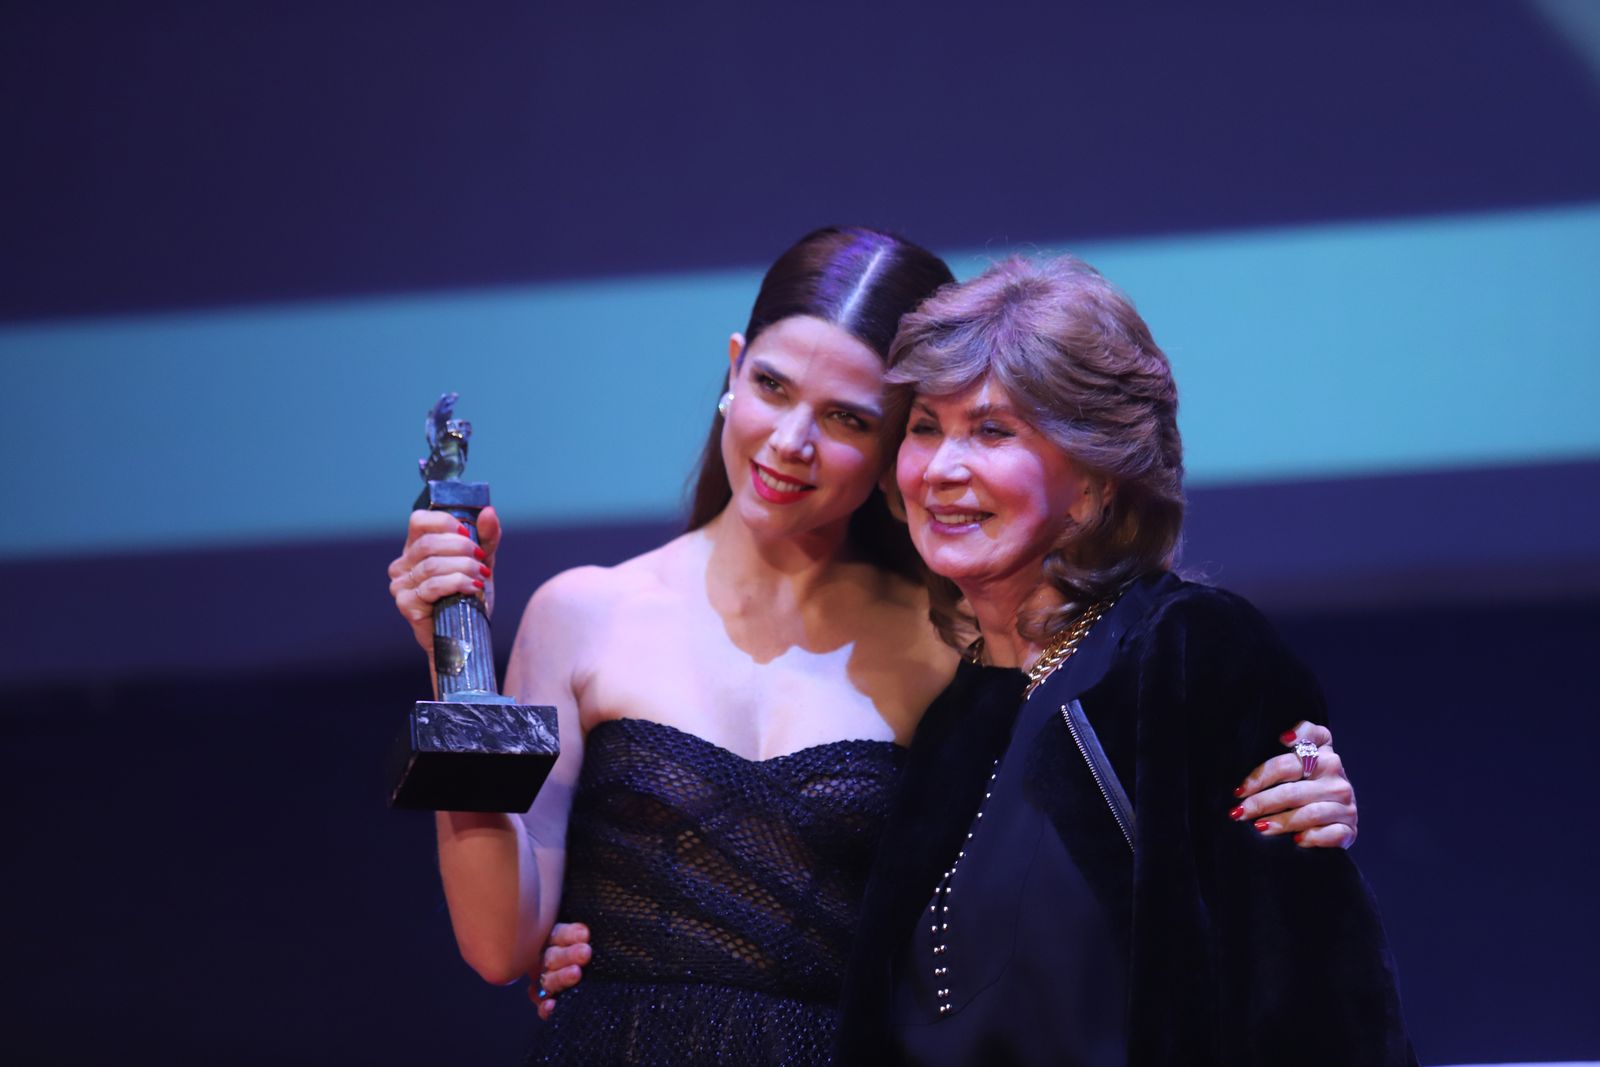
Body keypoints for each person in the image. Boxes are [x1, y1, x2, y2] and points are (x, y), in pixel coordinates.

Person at [386, 229, 1362, 1066]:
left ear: (891, 444)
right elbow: (498, 938)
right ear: (731, 370)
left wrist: (1291, 790)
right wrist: (453, 656)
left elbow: (1084, 856)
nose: (789, 442)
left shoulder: (956, 642)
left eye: (850, 418)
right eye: (769, 385)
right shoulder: (581, 613)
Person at [827, 255, 1414, 1065]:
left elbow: (1314, 995)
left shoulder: (1187, 652)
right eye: (925, 426)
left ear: (1096, 482)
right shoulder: (959, 713)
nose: (942, 468)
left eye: (992, 429)